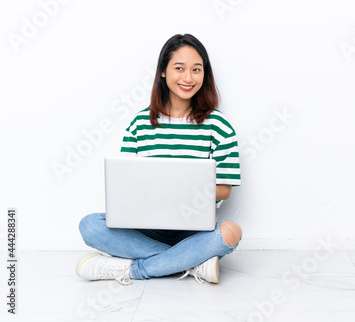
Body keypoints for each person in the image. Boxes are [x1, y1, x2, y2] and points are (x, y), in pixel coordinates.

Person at [76, 34, 242, 285]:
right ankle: (191, 262)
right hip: (144, 227)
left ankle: (133, 270)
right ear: (163, 71)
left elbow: (225, 189)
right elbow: (124, 184)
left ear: (204, 75)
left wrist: (173, 193)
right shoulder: (140, 123)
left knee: (231, 232)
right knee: (89, 225)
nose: (188, 78)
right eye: (179, 68)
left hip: (193, 229)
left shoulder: (218, 124)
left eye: (197, 70)